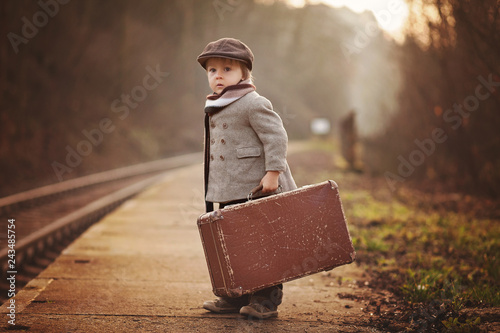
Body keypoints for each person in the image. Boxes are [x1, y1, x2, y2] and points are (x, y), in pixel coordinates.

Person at [197, 37, 297, 319]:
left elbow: (276, 137)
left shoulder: (253, 102)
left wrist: (273, 173)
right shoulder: (216, 105)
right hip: (227, 190)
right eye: (212, 70)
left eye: (227, 69)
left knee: (260, 244)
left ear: (244, 73)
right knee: (233, 244)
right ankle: (234, 295)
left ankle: (265, 299)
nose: (218, 75)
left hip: (255, 189)